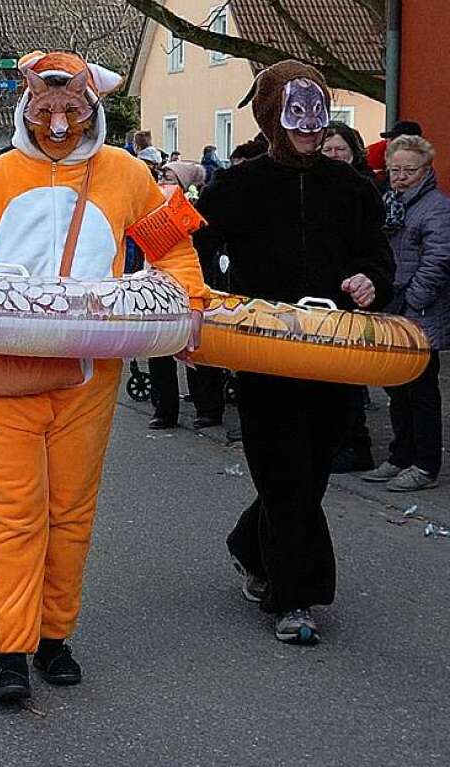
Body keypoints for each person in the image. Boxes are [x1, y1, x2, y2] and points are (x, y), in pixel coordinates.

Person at [0, 50, 209, 701]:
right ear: (26, 106)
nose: (57, 123)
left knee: (70, 513)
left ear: (92, 109)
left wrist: (190, 310)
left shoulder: (126, 173)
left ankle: (54, 636)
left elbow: (172, 245)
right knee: (14, 515)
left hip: (87, 375)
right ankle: (12, 650)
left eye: (71, 110)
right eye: (45, 110)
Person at [194, 61, 393, 644]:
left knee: (311, 472)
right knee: (282, 470)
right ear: (273, 119)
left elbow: (377, 256)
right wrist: (208, 305)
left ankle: (246, 545)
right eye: (296, 120)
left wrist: (368, 280)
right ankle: (295, 599)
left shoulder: (353, 187)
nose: (309, 132)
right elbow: (193, 249)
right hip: (264, 351)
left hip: (335, 352)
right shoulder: (237, 185)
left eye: (316, 119)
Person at [361, 135, 450, 492]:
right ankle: (400, 456)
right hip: (393, 308)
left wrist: (412, 299)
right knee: (396, 386)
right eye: (395, 169)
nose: (400, 177)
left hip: (420, 312)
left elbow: (438, 260)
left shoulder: (436, 208)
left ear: (425, 170)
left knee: (421, 391)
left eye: (409, 171)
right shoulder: (393, 202)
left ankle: (425, 465)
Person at [146, 161, 224, 430]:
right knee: (158, 349)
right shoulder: (152, 204)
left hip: (192, 283)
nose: (162, 181)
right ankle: (164, 409)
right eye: (161, 175)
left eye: (169, 177)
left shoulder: (195, 210)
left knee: (196, 346)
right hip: (158, 283)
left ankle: (208, 407)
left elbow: (201, 250)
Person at [323, 121, 379, 473]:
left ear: (352, 151)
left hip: (353, 292)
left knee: (348, 375)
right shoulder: (318, 184)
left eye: (339, 149)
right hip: (327, 294)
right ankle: (337, 442)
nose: (333, 155)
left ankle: (357, 446)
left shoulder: (362, 189)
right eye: (327, 150)